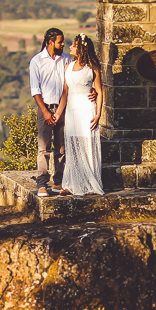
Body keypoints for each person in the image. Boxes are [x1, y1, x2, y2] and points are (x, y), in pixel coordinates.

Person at [55, 35, 104, 196]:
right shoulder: (67, 67)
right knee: (72, 146)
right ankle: (71, 183)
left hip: (87, 110)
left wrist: (98, 114)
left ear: (81, 48)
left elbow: (99, 91)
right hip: (71, 111)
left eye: (73, 45)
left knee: (87, 145)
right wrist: (58, 113)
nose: (70, 47)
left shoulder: (92, 68)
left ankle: (90, 185)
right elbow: (65, 93)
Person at [29, 28, 70, 197]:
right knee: (43, 148)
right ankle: (42, 184)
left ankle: (58, 182)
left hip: (63, 108)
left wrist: (59, 112)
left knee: (62, 148)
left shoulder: (66, 59)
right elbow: (35, 89)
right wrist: (45, 111)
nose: (63, 44)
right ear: (50, 42)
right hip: (44, 108)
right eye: (60, 41)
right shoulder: (37, 61)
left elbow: (68, 86)